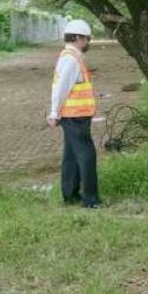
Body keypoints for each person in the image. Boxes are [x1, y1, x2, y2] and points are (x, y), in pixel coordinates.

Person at [47, 20, 101, 209]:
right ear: (78, 38)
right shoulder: (71, 58)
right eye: (86, 39)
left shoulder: (70, 56)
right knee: (87, 154)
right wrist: (54, 112)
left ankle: (70, 195)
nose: (87, 43)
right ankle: (90, 200)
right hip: (75, 116)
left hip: (73, 115)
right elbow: (60, 88)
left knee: (71, 155)